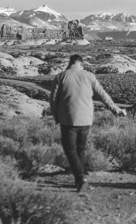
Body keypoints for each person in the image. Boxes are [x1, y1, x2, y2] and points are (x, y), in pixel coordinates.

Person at [50, 54, 125, 192]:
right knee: (80, 148)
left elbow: (53, 100)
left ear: (70, 63)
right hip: (86, 119)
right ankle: (80, 178)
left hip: (68, 119)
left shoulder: (61, 76)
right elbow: (103, 95)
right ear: (81, 64)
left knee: (70, 149)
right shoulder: (89, 76)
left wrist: (56, 117)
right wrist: (115, 109)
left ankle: (80, 179)